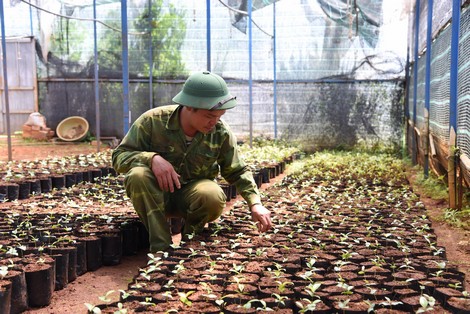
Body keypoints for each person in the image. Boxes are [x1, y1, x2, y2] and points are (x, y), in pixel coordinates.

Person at [112, 71, 272, 252]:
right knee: (138, 175)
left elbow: (237, 171)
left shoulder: (220, 132)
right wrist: (152, 158)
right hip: (156, 195)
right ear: (189, 106)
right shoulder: (152, 121)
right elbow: (119, 156)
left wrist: (255, 204)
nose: (214, 122)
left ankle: (190, 247)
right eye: (209, 116)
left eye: (219, 116)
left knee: (211, 194)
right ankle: (161, 247)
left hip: (191, 199)